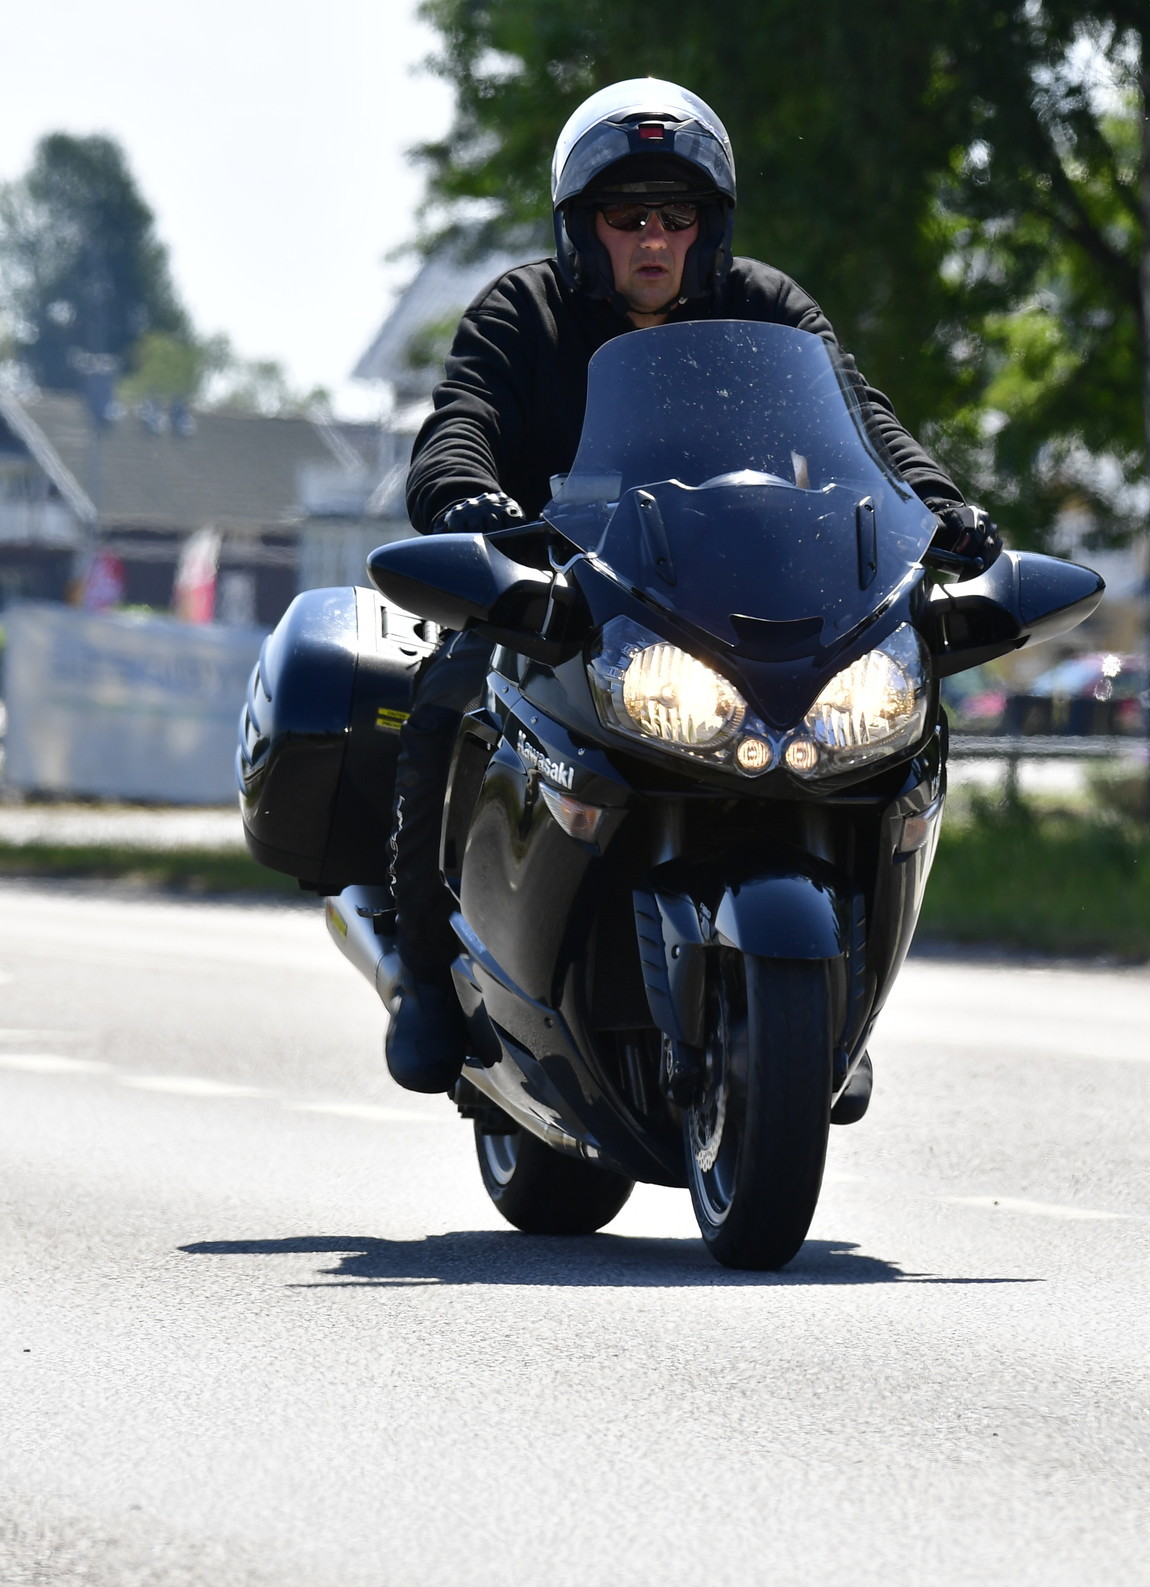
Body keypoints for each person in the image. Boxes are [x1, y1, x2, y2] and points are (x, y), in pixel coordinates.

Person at [383, 78, 998, 1092]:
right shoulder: (524, 311)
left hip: (738, 608)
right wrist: (463, 494)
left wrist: (937, 507)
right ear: (583, 226)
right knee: (446, 691)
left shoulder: (767, 308)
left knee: (877, 734)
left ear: (710, 226)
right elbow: (463, 416)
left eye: (677, 215)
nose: (654, 239)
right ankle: (421, 970)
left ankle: (834, 1001)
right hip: (565, 598)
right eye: (627, 217)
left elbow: (863, 421)